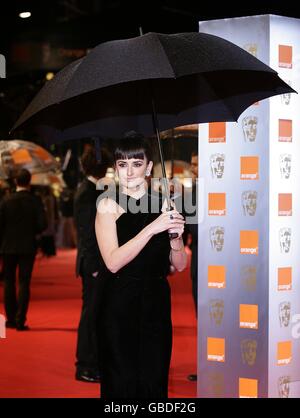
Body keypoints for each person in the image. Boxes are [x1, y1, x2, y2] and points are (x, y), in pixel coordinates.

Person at [95, 131, 187, 398]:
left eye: (136, 164)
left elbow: (179, 265)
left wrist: (176, 240)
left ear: (148, 167)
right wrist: (151, 229)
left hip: (155, 302)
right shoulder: (107, 206)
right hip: (118, 302)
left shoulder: (165, 205)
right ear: (115, 169)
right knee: (122, 382)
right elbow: (112, 262)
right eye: (122, 165)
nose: (129, 172)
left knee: (154, 379)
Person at [74, 147, 112, 383]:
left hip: (95, 263)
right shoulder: (87, 193)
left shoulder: (91, 189)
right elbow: (87, 234)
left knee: (95, 313)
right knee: (90, 315)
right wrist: (96, 266)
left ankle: (92, 361)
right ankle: (85, 366)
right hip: (93, 265)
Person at [0, 168, 47, 330]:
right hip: (28, 246)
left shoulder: (6, 201)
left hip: (7, 246)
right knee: (24, 282)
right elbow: (43, 225)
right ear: (29, 182)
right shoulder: (35, 201)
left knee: (8, 281)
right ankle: (21, 320)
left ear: (15, 182)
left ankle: (10, 319)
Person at [186, 151, 198, 382]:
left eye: (196, 164)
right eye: (192, 164)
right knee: (202, 311)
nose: (193, 168)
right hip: (197, 257)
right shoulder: (192, 191)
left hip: (221, 259)